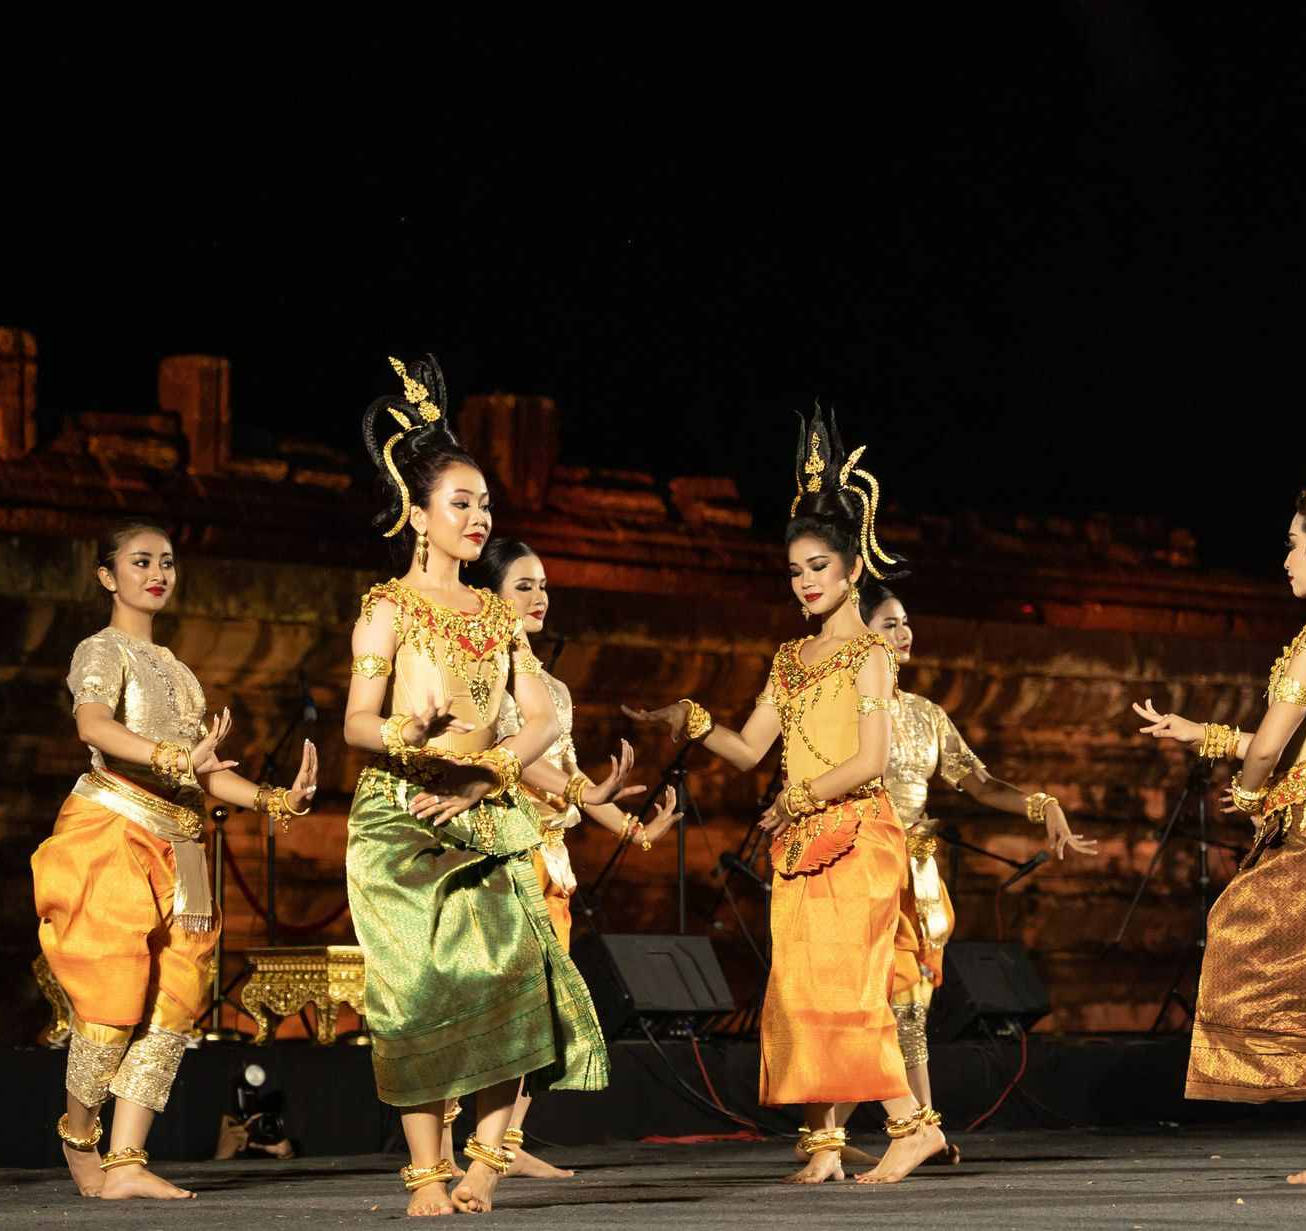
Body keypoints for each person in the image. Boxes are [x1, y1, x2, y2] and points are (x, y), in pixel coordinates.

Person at [627, 406, 947, 1185]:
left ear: (850, 572)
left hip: (859, 834)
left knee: (846, 983)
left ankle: (912, 1126)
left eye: (818, 569)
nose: (805, 582)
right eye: (796, 570)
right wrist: (693, 720)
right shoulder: (791, 656)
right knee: (801, 988)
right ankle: (826, 1144)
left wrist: (801, 796)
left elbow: (870, 756)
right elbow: (747, 749)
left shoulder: (872, 652)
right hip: (805, 839)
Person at [341, 357, 608, 1215]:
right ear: (417, 514)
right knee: (417, 988)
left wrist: (485, 771)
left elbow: (540, 718)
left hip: (484, 814)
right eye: (460, 502)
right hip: (402, 816)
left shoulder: (495, 616)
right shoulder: (386, 606)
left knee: (515, 974)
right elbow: (353, 722)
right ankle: (426, 1170)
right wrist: (404, 735)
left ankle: (486, 1162)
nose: (477, 516)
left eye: (484, 504)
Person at [1132, 401, 1306, 1184]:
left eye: (1291, 546)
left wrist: (1248, 797)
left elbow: (1277, 747)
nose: (1283, 559)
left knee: (1239, 936)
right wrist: (1202, 732)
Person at [34, 520, 319, 1200]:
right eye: (140, 561)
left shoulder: (180, 673)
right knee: (110, 1004)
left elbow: (204, 773)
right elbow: (93, 726)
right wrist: (168, 757)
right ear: (107, 575)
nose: (157, 571)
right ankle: (80, 1139)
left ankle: (128, 1157)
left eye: (166, 561)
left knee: (173, 1007)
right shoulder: (102, 650)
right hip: (115, 831)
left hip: (181, 842)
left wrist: (278, 797)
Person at [462, 537, 684, 1179]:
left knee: (546, 1005)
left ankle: (503, 1144)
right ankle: (470, 1147)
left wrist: (636, 829)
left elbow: (570, 777)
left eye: (543, 586)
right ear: (490, 595)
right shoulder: (479, 673)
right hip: (503, 853)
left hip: (552, 858)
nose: (538, 598)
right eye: (522, 586)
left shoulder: (549, 686)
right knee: (502, 1005)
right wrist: (587, 791)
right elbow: (525, 762)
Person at [862, 584, 1096, 1146]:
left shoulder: (925, 715)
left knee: (910, 1006)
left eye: (906, 621)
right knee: (867, 1004)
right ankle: (842, 1134)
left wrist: (1042, 804)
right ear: (860, 635)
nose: (904, 632)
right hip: (864, 867)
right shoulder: (844, 713)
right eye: (890, 624)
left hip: (915, 875)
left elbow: (980, 782)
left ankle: (919, 1128)